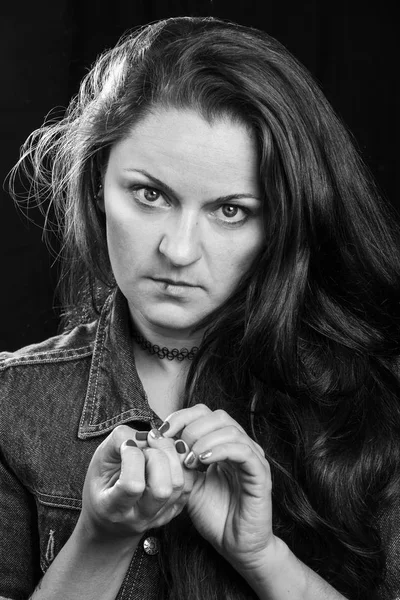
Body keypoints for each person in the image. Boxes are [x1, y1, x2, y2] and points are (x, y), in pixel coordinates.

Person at [1, 15, 399, 600]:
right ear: (96, 187)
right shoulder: (13, 405)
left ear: (284, 222)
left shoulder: (377, 401)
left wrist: (264, 557)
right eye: (150, 194)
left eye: (230, 210)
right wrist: (101, 537)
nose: (179, 251)